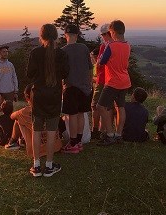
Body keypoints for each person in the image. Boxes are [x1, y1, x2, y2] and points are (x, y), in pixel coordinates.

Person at [26, 24, 69, 177]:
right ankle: (49, 166)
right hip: (55, 96)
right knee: (52, 131)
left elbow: (29, 74)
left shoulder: (35, 53)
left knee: (36, 131)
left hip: (38, 96)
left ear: (41, 36)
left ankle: (36, 165)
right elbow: (65, 73)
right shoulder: (61, 54)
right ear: (56, 36)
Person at [96, 20, 132, 146]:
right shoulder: (127, 45)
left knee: (100, 106)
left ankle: (110, 134)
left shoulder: (111, 46)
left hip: (112, 82)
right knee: (120, 107)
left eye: (110, 32)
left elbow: (101, 62)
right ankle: (118, 134)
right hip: (124, 81)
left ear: (113, 32)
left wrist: (97, 58)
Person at [61, 24, 93, 153]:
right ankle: (78, 142)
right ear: (77, 35)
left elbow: (62, 72)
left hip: (71, 87)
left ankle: (73, 143)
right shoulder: (84, 48)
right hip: (85, 88)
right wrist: (89, 83)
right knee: (81, 114)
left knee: (72, 115)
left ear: (65, 35)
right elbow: (90, 68)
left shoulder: (63, 51)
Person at [6, 84, 63, 156]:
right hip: (56, 147)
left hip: (38, 150)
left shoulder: (25, 111)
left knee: (18, 119)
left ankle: (12, 142)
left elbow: (12, 116)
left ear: (27, 96)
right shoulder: (50, 107)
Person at [0, 45, 19, 143]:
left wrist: (15, 91)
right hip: (0, 93)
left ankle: (10, 134)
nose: (6, 53)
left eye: (7, 52)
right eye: (4, 52)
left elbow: (14, 77)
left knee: (9, 114)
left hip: (10, 91)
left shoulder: (10, 64)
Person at [90, 23, 113, 140]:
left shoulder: (105, 46)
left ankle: (96, 130)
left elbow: (99, 63)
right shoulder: (116, 45)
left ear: (106, 34)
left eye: (103, 34)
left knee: (95, 106)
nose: (102, 37)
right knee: (107, 107)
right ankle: (103, 130)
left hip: (102, 79)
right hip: (111, 81)